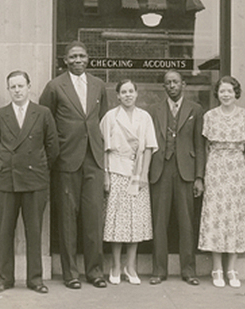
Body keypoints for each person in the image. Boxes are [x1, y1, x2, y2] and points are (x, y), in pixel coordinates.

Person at [39, 41, 109, 289]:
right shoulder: (55, 86)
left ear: (88, 58)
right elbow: (44, 122)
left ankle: (95, 272)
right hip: (67, 159)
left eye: (82, 55)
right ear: (65, 60)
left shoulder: (99, 85)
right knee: (68, 219)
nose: (78, 59)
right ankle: (70, 274)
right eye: (73, 56)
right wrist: (54, 154)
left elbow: (103, 120)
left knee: (93, 218)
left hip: (93, 159)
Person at [0, 71, 59, 294]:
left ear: (29, 87)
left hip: (34, 179)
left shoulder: (43, 113)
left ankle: (35, 279)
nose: (17, 90)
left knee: (34, 231)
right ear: (8, 90)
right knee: (5, 231)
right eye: (12, 87)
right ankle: (3, 279)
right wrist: (5, 163)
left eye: (20, 86)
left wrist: (39, 166)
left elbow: (53, 147)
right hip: (5, 179)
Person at [147, 70, 205, 286]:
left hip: (186, 171)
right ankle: (159, 271)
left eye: (175, 82)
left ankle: (189, 271)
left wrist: (199, 176)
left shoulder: (196, 109)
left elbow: (200, 146)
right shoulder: (154, 110)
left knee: (186, 222)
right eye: (168, 83)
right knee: (159, 222)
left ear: (184, 84)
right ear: (164, 87)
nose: (171, 86)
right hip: (160, 170)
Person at [199, 76, 245, 288]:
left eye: (229, 91)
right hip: (215, 168)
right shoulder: (210, 116)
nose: (226, 95)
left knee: (234, 218)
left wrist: (242, 166)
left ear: (236, 93)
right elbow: (206, 147)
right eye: (222, 91)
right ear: (217, 94)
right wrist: (208, 172)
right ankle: (216, 268)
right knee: (216, 216)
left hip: (237, 170)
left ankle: (231, 268)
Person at [101, 79, 157, 285]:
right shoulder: (110, 117)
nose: (127, 95)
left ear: (136, 93)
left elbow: (150, 147)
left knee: (135, 223)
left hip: (138, 172)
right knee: (117, 223)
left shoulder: (145, 117)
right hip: (117, 170)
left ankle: (130, 266)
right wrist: (105, 174)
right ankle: (115, 265)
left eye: (131, 91)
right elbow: (104, 149)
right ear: (117, 95)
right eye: (123, 92)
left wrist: (144, 174)